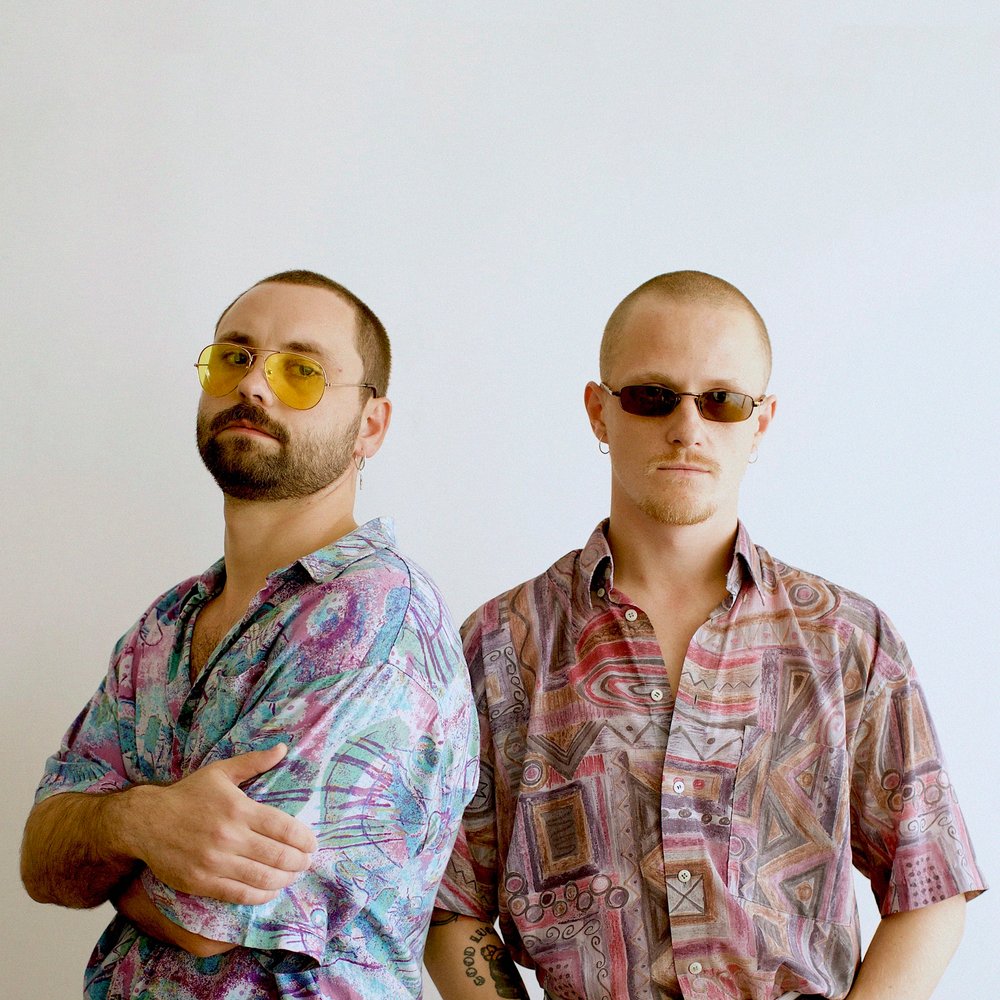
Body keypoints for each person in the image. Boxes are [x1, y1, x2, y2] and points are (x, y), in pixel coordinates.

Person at [424, 271, 986, 1000]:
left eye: (722, 400)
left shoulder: (847, 640)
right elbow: (449, 899)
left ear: (762, 421)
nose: (687, 428)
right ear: (599, 411)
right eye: (652, 396)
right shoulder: (500, 646)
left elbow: (930, 881)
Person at [21, 269, 479, 999]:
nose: (254, 385)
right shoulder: (167, 622)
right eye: (234, 357)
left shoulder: (375, 618)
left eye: (301, 371)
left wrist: (105, 842)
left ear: (370, 425)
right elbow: (41, 863)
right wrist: (139, 821)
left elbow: (207, 918)